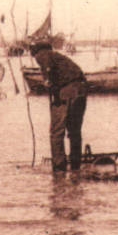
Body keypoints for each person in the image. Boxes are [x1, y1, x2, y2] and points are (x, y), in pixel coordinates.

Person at [32, 41, 88, 172]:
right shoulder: (58, 57)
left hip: (66, 92)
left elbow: (48, 69)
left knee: (56, 132)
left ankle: (59, 169)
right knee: (74, 132)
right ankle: (75, 167)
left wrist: (47, 82)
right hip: (81, 89)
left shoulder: (42, 55)